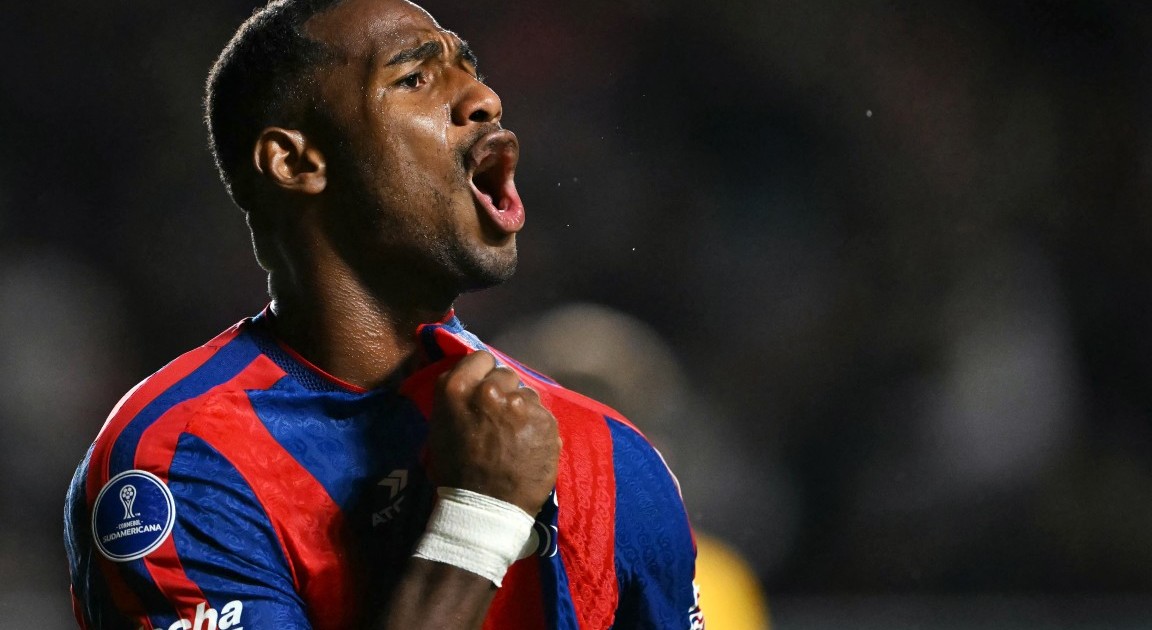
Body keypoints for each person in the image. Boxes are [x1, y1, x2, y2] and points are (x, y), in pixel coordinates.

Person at [62, 0, 702, 628]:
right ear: (296, 161)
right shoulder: (181, 464)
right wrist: (478, 521)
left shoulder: (607, 457)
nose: (484, 98)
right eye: (415, 77)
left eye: (471, 68)